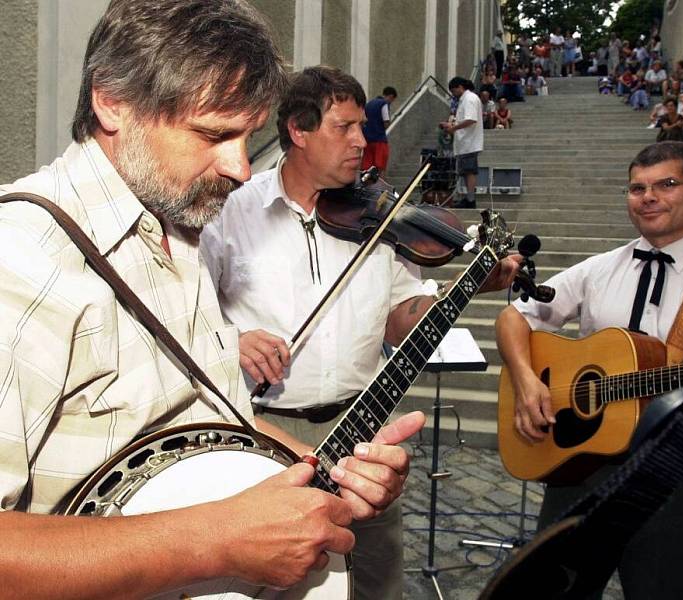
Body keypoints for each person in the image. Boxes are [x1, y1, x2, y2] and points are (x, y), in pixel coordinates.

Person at [0, 2, 424, 598]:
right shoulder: (19, 261)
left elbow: (210, 423)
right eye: (213, 134)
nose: (242, 168)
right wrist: (214, 542)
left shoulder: (177, 227)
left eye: (248, 137)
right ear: (113, 102)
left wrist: (329, 467)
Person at [200, 66, 522, 600]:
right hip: (267, 431)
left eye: (362, 127)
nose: (363, 140)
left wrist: (465, 289)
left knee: (376, 577)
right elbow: (185, 314)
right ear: (298, 132)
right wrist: (232, 339)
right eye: (345, 127)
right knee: (275, 581)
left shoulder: (379, 216)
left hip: (366, 425)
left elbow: (402, 313)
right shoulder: (232, 210)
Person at [495, 141, 683, 600]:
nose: (648, 196)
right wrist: (527, 380)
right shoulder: (598, 268)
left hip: (673, 473)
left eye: (666, 184)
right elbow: (515, 317)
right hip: (578, 464)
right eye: (637, 188)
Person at [440, 76, 484, 209]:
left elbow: (471, 119)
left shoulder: (469, 99)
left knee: (469, 171)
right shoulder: (465, 99)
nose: (453, 94)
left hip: (469, 142)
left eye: (454, 91)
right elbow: (464, 119)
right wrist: (449, 125)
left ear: (460, 87)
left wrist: (453, 128)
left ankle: (470, 199)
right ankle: (468, 198)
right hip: (465, 142)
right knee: (465, 171)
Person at [361, 85, 397, 176]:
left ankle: (367, 188)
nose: (391, 102)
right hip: (379, 140)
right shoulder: (384, 103)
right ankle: (379, 187)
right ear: (391, 96)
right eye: (392, 100)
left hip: (367, 140)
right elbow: (386, 121)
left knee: (367, 167)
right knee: (380, 167)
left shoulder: (368, 104)